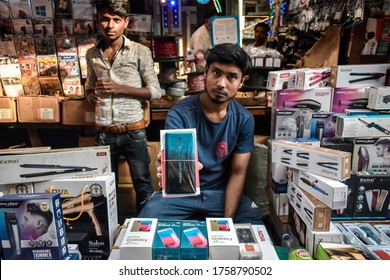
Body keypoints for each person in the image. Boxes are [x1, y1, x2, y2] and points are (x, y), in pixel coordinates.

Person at [139, 43, 262, 224]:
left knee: (254, 221)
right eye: (216, 73)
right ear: (206, 73)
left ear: (242, 81)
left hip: (220, 195)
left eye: (232, 77)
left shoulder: (244, 119)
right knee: (146, 222)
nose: (221, 83)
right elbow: (176, 166)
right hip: (181, 197)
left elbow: (238, 173)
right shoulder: (180, 114)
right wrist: (168, 169)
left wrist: (226, 224)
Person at [85, 0, 161, 212]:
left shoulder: (139, 51)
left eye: (116, 20)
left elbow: (155, 91)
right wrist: (91, 95)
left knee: (143, 186)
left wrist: (119, 88)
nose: (110, 25)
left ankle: (144, 232)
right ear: (98, 21)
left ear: (125, 22)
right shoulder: (92, 54)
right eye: (105, 19)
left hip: (133, 131)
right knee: (104, 189)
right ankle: (111, 236)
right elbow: (88, 88)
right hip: (103, 133)